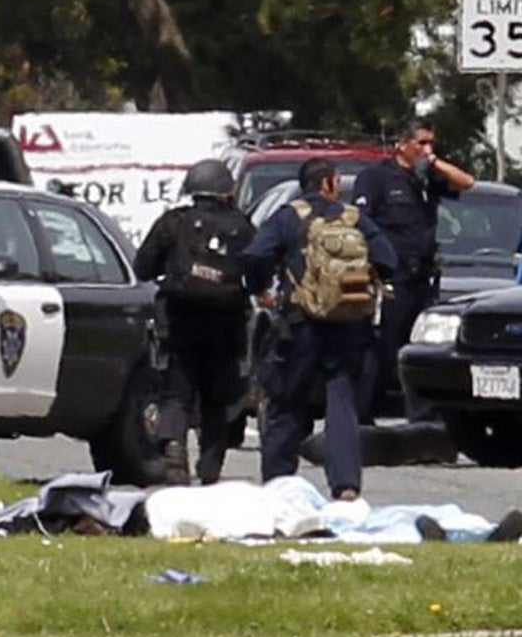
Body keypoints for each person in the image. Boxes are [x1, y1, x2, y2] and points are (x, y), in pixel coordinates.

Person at [243, 158, 396, 501]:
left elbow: (255, 255)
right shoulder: (355, 219)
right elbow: (388, 260)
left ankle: (278, 484)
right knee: (341, 403)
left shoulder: (287, 217)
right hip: (348, 327)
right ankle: (345, 485)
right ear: (329, 183)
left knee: (287, 401)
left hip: (300, 326)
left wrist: (260, 289)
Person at [133, 158, 255, 486]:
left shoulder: (174, 223)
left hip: (179, 320)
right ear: (227, 191)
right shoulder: (241, 226)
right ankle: (211, 466)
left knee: (176, 393)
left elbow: (142, 267)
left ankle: (174, 448)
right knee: (217, 397)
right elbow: (257, 272)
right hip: (225, 326)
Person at [352, 120, 474, 422]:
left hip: (423, 278)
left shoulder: (427, 179)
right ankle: (362, 417)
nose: (427, 149)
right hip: (393, 278)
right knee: (383, 349)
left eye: (431, 142)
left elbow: (467, 182)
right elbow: (361, 223)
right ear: (401, 144)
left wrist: (432, 162)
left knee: (422, 348)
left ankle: (422, 423)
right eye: (421, 143)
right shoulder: (376, 178)